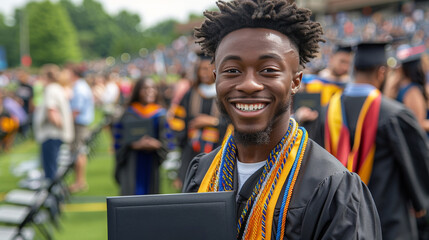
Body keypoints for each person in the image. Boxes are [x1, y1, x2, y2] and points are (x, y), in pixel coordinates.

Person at [183, 1, 381, 239]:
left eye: (268, 70)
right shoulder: (202, 173)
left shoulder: (332, 188)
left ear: (296, 81)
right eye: (232, 71)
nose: (248, 85)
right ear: (216, 78)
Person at [322, 42, 429, 240]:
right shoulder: (395, 114)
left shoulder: (327, 111)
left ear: (354, 68)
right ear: (381, 72)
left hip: (340, 223)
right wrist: (420, 202)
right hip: (390, 222)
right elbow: (418, 167)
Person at [171, 52, 227, 189]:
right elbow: (178, 121)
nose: (205, 72)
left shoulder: (225, 94)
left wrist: (212, 122)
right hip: (192, 150)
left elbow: (234, 123)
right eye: (202, 69)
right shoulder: (190, 94)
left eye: (209, 68)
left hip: (218, 148)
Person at [113, 77, 172, 195]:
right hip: (131, 162)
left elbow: (168, 141)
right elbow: (118, 141)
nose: (149, 91)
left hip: (152, 162)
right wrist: (134, 145)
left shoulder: (160, 114)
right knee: (131, 197)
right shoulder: (128, 114)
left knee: (151, 200)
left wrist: (157, 144)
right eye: (145, 88)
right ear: (137, 91)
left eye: (152, 88)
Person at [33, 64, 74, 181]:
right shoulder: (58, 88)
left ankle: (53, 196)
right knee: (54, 167)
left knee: (50, 170)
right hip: (55, 134)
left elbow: (52, 111)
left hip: (51, 134)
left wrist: (60, 126)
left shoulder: (51, 89)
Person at [67, 65, 94, 193]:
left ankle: (79, 182)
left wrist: (66, 123)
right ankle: (79, 181)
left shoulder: (79, 87)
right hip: (81, 124)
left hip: (79, 124)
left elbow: (76, 110)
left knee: (78, 153)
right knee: (79, 152)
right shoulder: (81, 86)